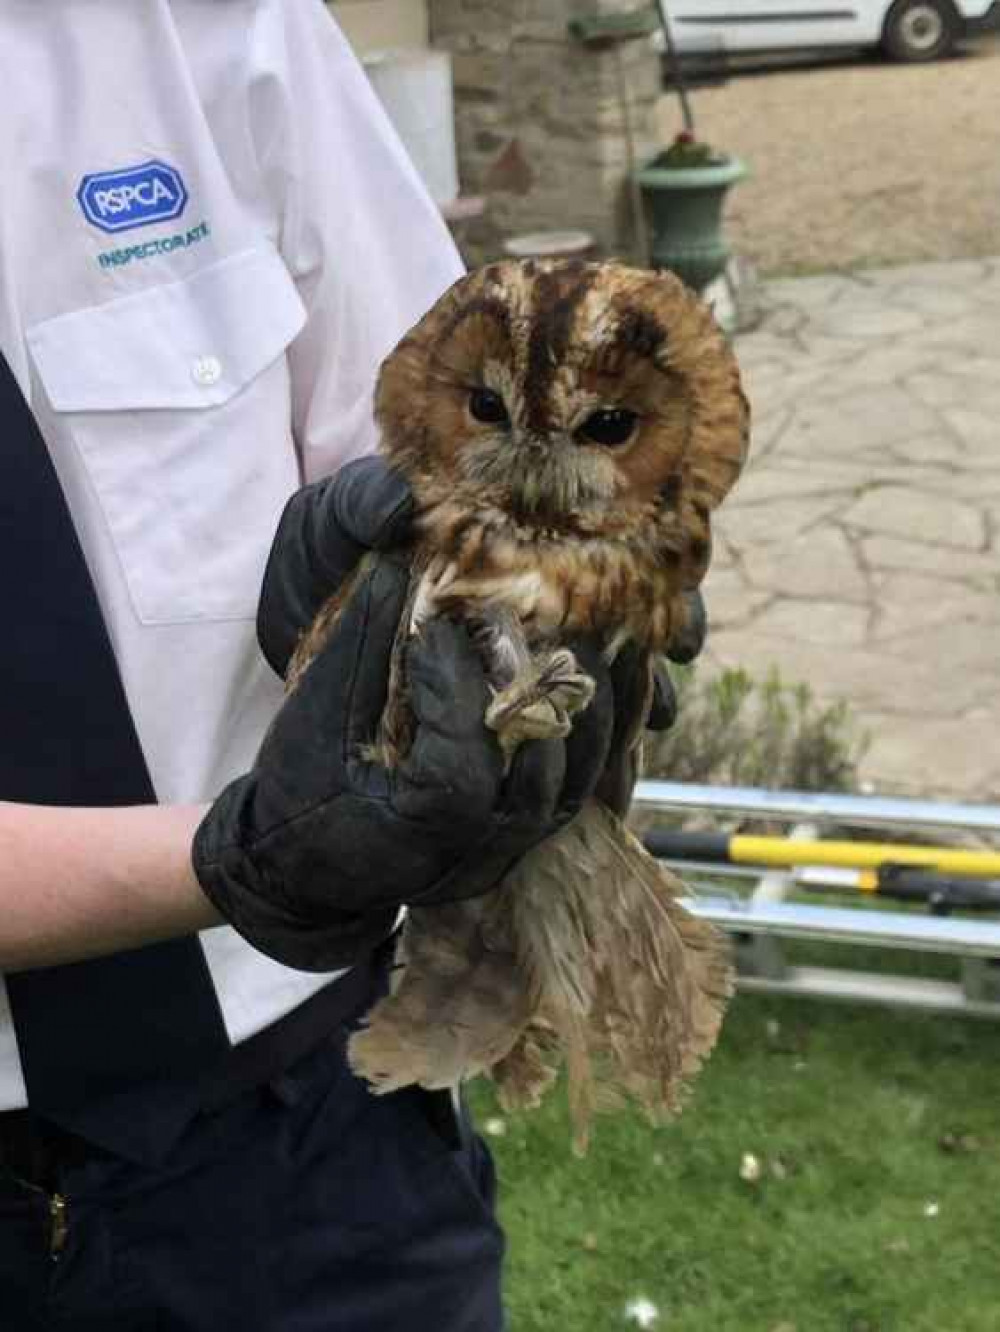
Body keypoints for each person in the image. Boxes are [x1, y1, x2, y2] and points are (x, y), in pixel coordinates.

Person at [0, 3, 695, 1327]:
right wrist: (235, 860)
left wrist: (554, 590)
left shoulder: (205, 32)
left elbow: (457, 447)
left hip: (307, 1141)